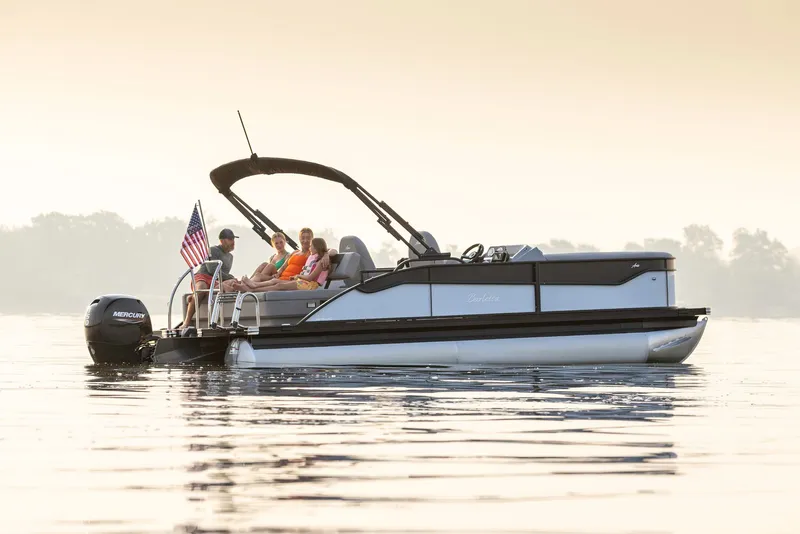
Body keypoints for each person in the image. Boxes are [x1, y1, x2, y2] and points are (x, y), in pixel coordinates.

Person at [179, 228, 239, 334]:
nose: (233, 242)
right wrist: (230, 277)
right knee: (201, 289)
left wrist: (231, 279)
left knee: (231, 286)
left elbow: (222, 274)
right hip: (203, 276)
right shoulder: (213, 250)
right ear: (222, 241)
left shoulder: (230, 257)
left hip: (216, 280)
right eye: (230, 239)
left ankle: (194, 299)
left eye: (233, 239)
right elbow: (212, 270)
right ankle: (186, 322)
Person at [239, 227, 337, 287]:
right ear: (299, 239)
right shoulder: (294, 252)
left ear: (312, 240)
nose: (305, 240)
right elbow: (284, 266)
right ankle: (244, 285)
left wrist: (326, 255)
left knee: (269, 279)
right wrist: (278, 273)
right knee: (259, 275)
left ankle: (247, 288)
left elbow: (333, 251)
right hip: (280, 277)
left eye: (308, 238)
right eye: (303, 238)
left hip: (289, 280)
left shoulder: (313, 255)